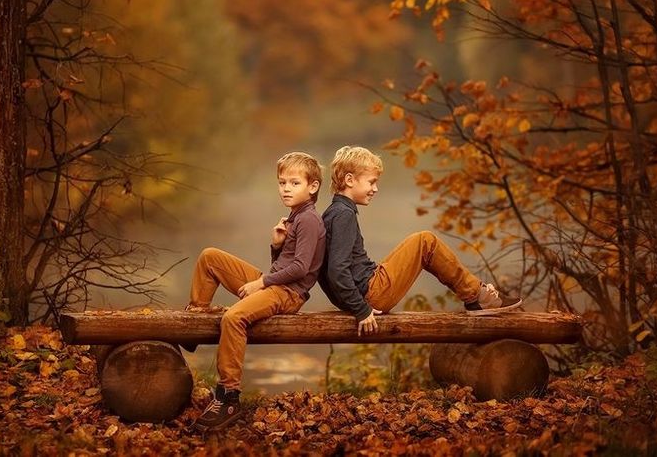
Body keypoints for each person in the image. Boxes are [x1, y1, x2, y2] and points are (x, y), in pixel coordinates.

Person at [186, 151, 326, 431]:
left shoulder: (309, 220)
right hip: (275, 282)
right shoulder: (294, 216)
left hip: (288, 294)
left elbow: (299, 269)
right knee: (210, 256)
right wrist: (276, 245)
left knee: (233, 318)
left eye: (294, 183)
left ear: (313, 187)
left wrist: (262, 283)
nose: (286, 188)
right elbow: (283, 264)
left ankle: (228, 397)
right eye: (282, 182)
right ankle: (194, 319)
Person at [319, 146, 521, 337]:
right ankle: (477, 296)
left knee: (421, 241)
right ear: (349, 180)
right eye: (371, 182)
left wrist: (346, 303)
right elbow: (336, 270)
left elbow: (326, 269)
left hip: (365, 293)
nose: (375, 189)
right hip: (371, 295)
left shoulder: (332, 213)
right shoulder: (343, 215)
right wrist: (360, 309)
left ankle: (478, 295)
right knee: (426, 241)